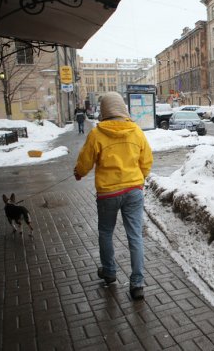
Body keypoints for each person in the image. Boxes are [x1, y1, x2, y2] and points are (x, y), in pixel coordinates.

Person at [73, 92, 153, 301]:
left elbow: (85, 160)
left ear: (105, 110)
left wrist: (79, 173)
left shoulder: (97, 133)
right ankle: (137, 283)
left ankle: (109, 272)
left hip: (108, 192)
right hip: (133, 190)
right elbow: (147, 160)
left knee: (106, 232)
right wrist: (139, 178)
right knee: (135, 235)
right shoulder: (136, 131)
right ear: (123, 108)